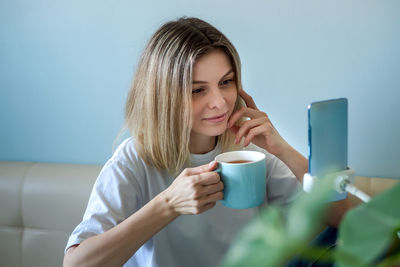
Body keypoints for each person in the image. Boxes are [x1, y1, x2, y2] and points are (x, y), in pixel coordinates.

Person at [63, 17, 351, 267]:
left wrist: (282, 149)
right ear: (164, 97)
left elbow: (355, 223)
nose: (219, 103)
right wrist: (168, 205)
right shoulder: (134, 161)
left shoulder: (247, 148)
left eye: (226, 83)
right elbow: (77, 263)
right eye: (198, 90)